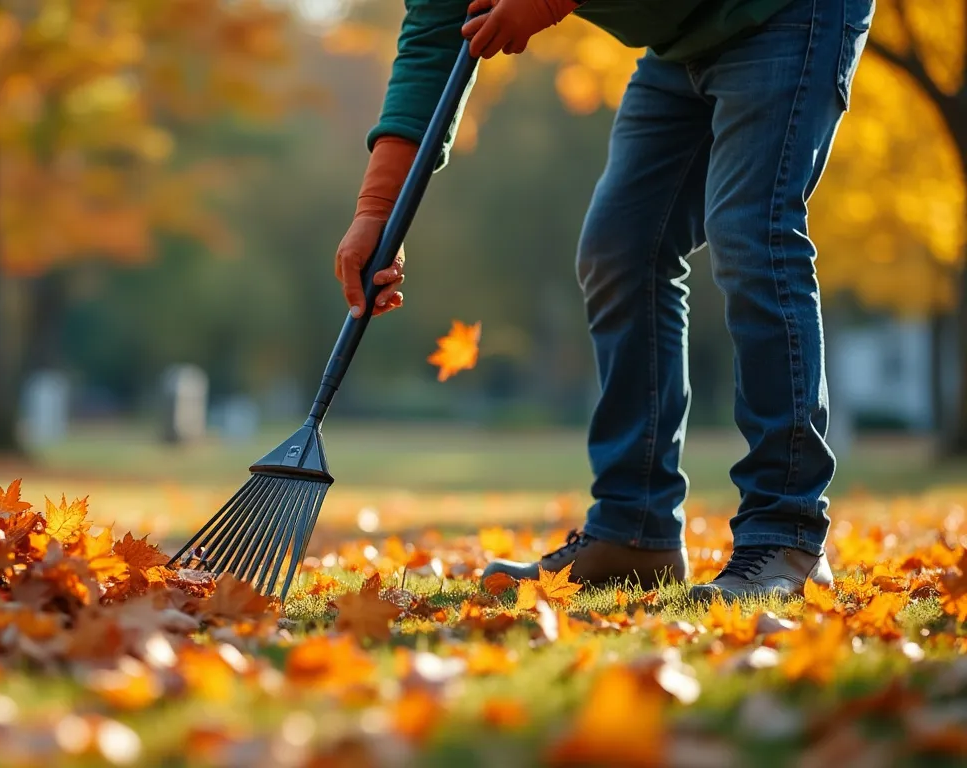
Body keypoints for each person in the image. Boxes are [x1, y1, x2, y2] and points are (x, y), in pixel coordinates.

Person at [334, 0, 873, 600]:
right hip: (681, 41)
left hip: (784, 12)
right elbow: (435, 40)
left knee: (751, 232)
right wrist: (377, 212)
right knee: (620, 249)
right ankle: (634, 531)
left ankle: (787, 534)